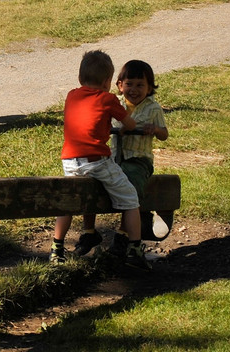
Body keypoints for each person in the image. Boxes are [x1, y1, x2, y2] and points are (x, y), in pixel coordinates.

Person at [50, 50, 150, 270]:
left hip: (70, 161)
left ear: (80, 78)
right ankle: (134, 248)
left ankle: (57, 248)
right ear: (107, 81)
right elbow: (130, 124)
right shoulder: (108, 99)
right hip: (96, 160)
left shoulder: (72, 95)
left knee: (68, 204)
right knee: (131, 199)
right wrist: (123, 125)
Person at [73, 59, 170, 256]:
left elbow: (164, 134)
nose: (134, 90)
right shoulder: (113, 102)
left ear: (149, 88)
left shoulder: (153, 108)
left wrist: (155, 129)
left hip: (138, 159)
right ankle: (89, 231)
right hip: (114, 157)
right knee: (92, 183)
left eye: (140, 85)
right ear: (119, 85)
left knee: (131, 184)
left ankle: (123, 234)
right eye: (129, 84)